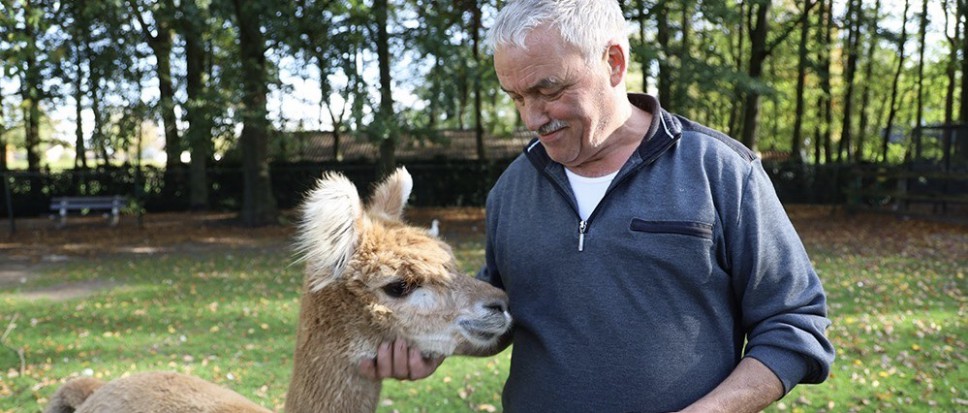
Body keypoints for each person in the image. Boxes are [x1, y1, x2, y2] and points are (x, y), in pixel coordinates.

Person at [360, 0, 835, 411]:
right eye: (517, 97)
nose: (532, 117)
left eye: (548, 90)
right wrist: (437, 342)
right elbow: (506, 316)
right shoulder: (510, 190)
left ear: (613, 62)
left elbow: (795, 324)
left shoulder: (721, 171)